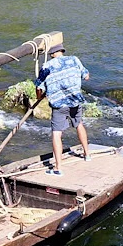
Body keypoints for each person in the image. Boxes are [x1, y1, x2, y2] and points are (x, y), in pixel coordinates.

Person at [36, 43, 90, 175]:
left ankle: (58, 168)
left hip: (59, 105)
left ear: (52, 54)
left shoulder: (46, 66)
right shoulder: (74, 59)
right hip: (75, 101)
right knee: (79, 124)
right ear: (62, 51)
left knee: (56, 133)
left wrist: (40, 98)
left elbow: (39, 88)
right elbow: (86, 76)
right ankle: (87, 154)